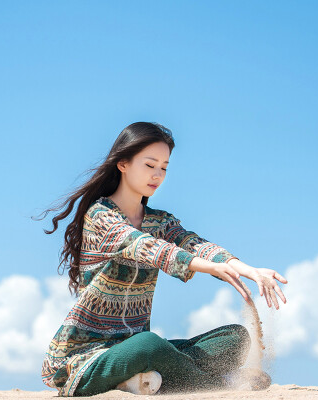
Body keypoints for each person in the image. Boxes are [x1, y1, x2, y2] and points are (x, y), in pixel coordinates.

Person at [36, 122, 287, 397]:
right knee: (149, 345)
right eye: (150, 165)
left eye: (164, 167)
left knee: (234, 338)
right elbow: (145, 246)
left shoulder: (160, 221)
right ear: (123, 163)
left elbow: (194, 244)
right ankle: (221, 383)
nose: (158, 175)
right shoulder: (100, 215)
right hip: (88, 359)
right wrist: (209, 268)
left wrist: (248, 270)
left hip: (135, 348)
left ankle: (145, 381)